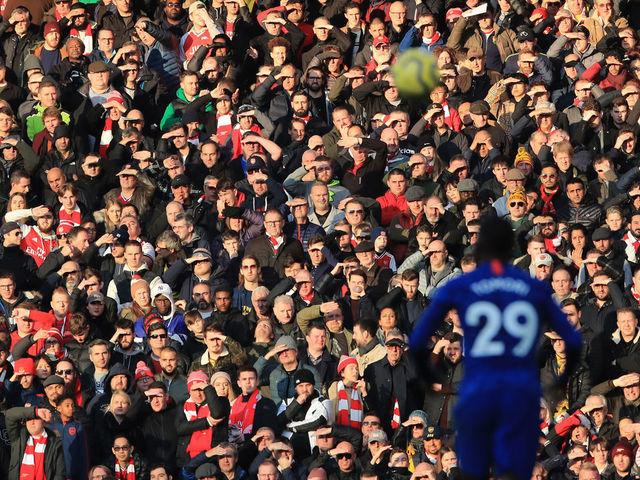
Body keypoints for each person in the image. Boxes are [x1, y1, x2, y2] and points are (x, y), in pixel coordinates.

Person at [409, 217, 582, 480]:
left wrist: (428, 374)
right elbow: (573, 339)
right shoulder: (532, 287)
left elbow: (418, 336)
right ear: (510, 246)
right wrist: (559, 381)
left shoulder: (461, 286)